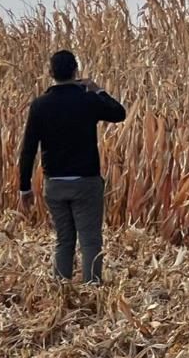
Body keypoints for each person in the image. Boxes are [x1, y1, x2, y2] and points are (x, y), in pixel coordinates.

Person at [18, 49, 127, 284]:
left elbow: (28, 149)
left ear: (50, 73)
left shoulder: (40, 106)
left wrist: (24, 187)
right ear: (76, 71)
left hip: (54, 184)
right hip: (86, 182)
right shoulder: (87, 100)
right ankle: (92, 291)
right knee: (90, 241)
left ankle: (60, 292)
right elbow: (119, 114)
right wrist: (98, 89)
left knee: (64, 240)